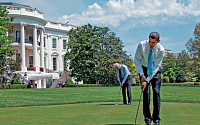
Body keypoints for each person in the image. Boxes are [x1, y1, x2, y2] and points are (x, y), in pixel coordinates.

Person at [134, 32, 165, 125]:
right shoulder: (141, 45)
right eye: (150, 41)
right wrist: (142, 75)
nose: (150, 44)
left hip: (155, 71)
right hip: (143, 68)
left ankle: (156, 120)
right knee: (146, 93)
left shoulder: (161, 50)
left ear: (158, 41)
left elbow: (156, 67)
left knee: (156, 92)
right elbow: (137, 60)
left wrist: (147, 80)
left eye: (153, 42)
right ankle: (147, 119)